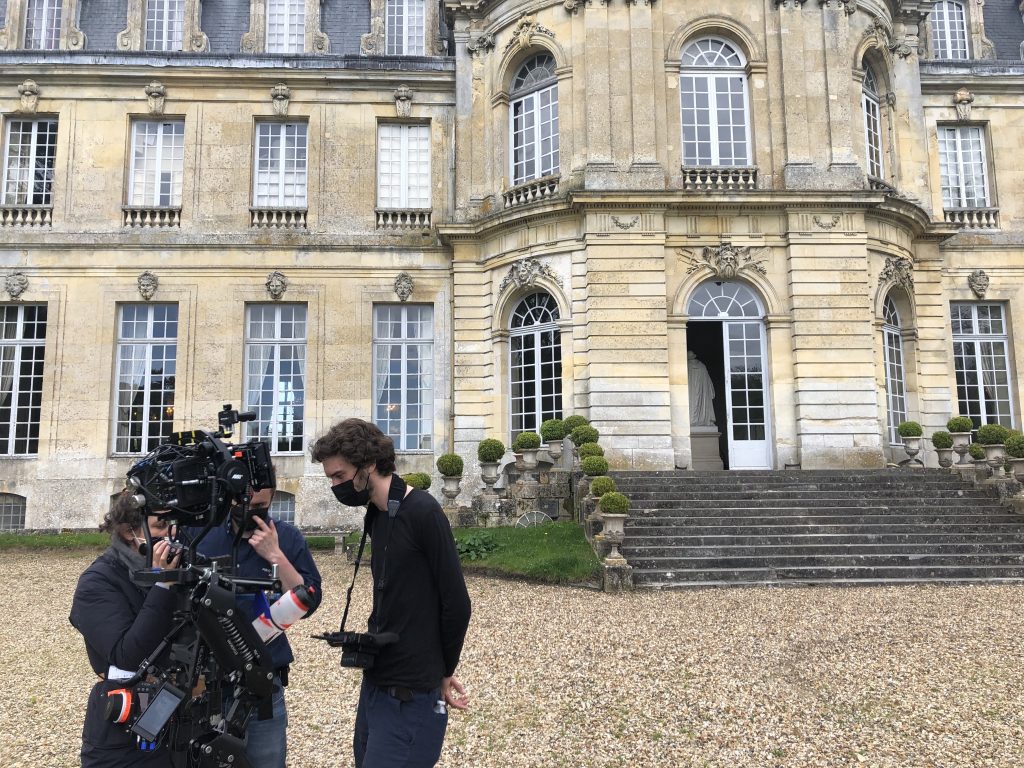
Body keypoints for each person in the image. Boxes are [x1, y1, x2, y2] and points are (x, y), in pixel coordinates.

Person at [311, 418, 472, 768]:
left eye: (339, 476)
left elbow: (457, 605)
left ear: (368, 465)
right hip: (377, 684)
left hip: (411, 693)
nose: (336, 486)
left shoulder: (423, 511)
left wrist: (443, 671)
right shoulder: (379, 515)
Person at [192, 472, 322, 768]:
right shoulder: (204, 534)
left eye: (259, 504)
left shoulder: (287, 537)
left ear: (272, 498)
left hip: (262, 682)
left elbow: (309, 601)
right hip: (205, 680)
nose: (249, 509)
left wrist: (275, 555)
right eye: (242, 501)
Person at [69, 491, 182, 768]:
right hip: (123, 734)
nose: (170, 534)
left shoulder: (182, 569)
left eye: (175, 525)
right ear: (129, 531)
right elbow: (127, 654)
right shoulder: (97, 582)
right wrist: (162, 584)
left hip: (183, 716)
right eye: (160, 526)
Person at [687, 350, 717, 427]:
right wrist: (710, 389)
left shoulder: (687, 365)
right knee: (701, 402)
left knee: (692, 402)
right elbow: (708, 380)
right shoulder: (702, 366)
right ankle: (702, 420)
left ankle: (692, 420)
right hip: (701, 390)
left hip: (691, 390)